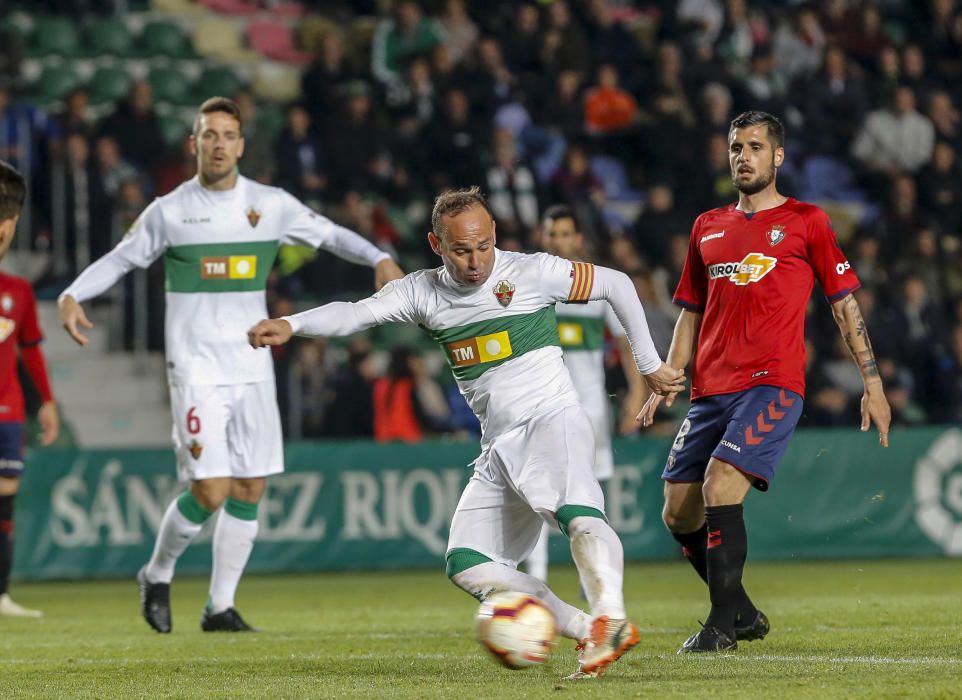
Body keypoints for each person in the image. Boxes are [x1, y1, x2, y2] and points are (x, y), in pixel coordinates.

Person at [248, 187, 685, 678]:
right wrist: (290, 323)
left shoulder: (531, 271)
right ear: (437, 245)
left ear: (494, 234)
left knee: (578, 514)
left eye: (483, 246)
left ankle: (612, 617)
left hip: (551, 418)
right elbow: (355, 312)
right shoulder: (422, 291)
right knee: (468, 563)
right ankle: (588, 629)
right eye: (461, 250)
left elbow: (618, 284)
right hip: (497, 446)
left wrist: (649, 364)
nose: (476, 261)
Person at [57, 97, 403, 634]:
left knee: (249, 488)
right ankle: (157, 573)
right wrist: (73, 294)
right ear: (193, 143)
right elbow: (121, 259)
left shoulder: (270, 205)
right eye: (208, 134)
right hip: (195, 367)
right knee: (211, 489)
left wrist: (378, 256)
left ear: (241, 145)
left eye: (227, 135)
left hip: (252, 363)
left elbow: (332, 235)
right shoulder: (170, 210)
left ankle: (219, 606)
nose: (218, 144)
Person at [639, 111, 892, 653]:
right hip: (710, 389)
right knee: (677, 510)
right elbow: (689, 310)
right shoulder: (707, 226)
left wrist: (871, 382)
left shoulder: (808, 222)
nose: (743, 156)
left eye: (755, 146)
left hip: (772, 384)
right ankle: (745, 612)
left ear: (778, 156)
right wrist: (669, 373)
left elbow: (843, 306)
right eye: (735, 146)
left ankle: (720, 629)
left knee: (718, 487)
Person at [523, 204, 648, 583]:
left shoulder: (598, 285)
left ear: (577, 239)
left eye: (565, 234)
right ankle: (538, 579)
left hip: (590, 405)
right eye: (552, 234)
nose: (558, 241)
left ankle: (590, 579)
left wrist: (635, 393)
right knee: (537, 489)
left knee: (589, 494)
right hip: (540, 403)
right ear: (542, 237)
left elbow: (627, 343)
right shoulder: (530, 285)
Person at [0, 160, 60, 617]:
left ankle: (1, 595)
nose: (2, 229)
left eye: (9, 219)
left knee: (5, 501)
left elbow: (32, 353)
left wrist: (47, 402)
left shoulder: (17, 291)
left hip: (9, 411)